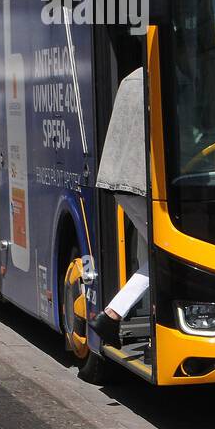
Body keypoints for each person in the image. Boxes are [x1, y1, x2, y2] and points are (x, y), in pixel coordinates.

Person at [88, 68, 147, 346]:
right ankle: (111, 316)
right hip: (142, 185)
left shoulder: (132, 78)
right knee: (166, 257)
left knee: (149, 259)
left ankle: (112, 317)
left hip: (121, 181)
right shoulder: (161, 74)